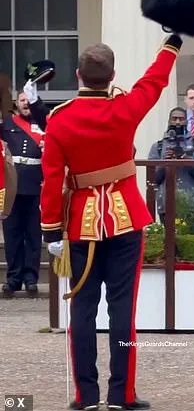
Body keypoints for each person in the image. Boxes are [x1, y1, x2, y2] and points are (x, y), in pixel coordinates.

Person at [40, 33, 183, 411]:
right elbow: (154, 81)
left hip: (80, 226)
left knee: (83, 310)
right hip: (124, 219)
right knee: (122, 311)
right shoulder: (125, 108)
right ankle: (122, 394)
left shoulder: (60, 119)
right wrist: (172, 43)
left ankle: (86, 396)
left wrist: (51, 229)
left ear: (77, 76)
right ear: (112, 75)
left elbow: (52, 179)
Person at [1, 91, 44, 296]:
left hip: (35, 185)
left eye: (28, 100)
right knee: (12, 235)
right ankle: (13, 278)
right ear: (16, 104)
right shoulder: (7, 124)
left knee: (34, 236)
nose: (26, 103)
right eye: (22, 100)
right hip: (12, 187)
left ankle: (30, 278)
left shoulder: (44, 123)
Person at [148, 107, 194, 224]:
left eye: (181, 119)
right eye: (174, 119)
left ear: (186, 121)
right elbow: (151, 178)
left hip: (192, 206)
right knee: (168, 241)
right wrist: (165, 163)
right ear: (169, 121)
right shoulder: (158, 147)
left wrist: (186, 159)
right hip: (166, 206)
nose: (178, 122)